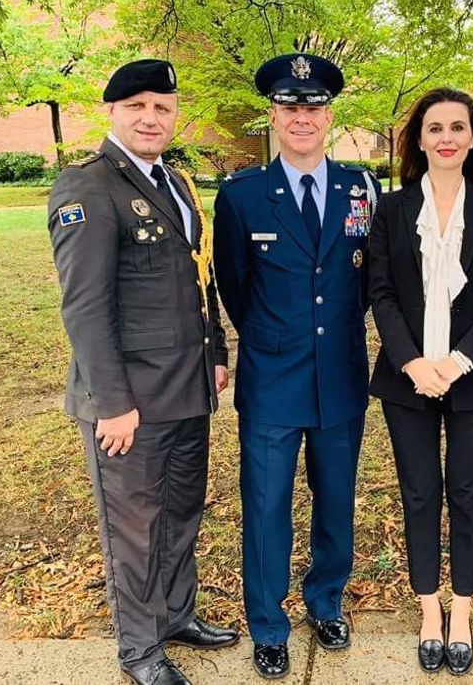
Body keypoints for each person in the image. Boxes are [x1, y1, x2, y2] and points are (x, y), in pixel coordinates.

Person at [47, 59, 239, 685]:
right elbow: (85, 304)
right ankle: (138, 651)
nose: (151, 118)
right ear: (113, 113)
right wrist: (111, 402)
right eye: (137, 107)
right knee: (133, 529)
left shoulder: (177, 183)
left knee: (182, 513)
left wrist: (214, 352)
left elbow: (196, 275)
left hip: (186, 390)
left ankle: (176, 616)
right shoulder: (88, 187)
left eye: (162, 106)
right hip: (129, 404)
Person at [212, 53, 380, 680]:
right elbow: (234, 284)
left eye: (312, 107)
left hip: (339, 373)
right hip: (272, 378)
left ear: (328, 115)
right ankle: (268, 624)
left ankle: (326, 601)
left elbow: (367, 282)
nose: (301, 117)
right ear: (274, 115)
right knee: (266, 506)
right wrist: (275, 340)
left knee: (335, 499)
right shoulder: (244, 195)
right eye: (290, 107)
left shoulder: (361, 187)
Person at [368, 87, 473, 676]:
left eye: (459, 127)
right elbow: (379, 291)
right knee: (419, 493)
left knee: (466, 492)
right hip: (406, 377)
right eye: (435, 128)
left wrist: (459, 362)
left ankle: (462, 610)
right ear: (418, 140)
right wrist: (412, 362)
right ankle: (428, 608)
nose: (448, 138)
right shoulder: (391, 208)